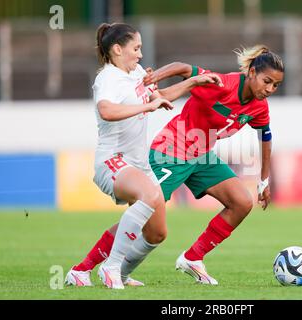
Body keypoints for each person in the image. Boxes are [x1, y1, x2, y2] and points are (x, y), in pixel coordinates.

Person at [64, 22, 222, 289]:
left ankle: (92, 272)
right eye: (135, 48)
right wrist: (147, 105)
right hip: (111, 160)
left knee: (156, 232)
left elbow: (160, 96)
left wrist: (193, 82)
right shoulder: (107, 78)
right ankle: (111, 268)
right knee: (148, 196)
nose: (140, 54)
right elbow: (106, 111)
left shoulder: (136, 72)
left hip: (138, 164)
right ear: (117, 49)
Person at [121, 44, 284, 285]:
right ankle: (86, 268)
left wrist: (264, 180)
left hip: (201, 156)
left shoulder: (259, 106)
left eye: (276, 85)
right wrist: (154, 77)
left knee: (241, 202)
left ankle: (192, 258)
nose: (270, 89)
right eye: (267, 81)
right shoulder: (222, 84)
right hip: (171, 150)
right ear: (251, 73)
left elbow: (266, 136)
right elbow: (185, 69)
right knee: (144, 214)